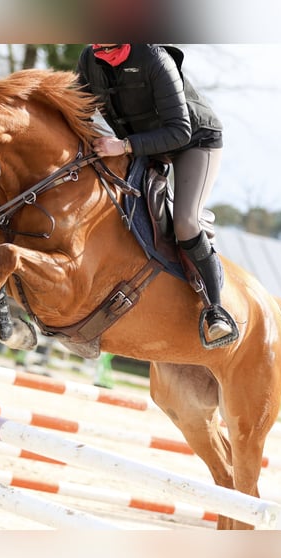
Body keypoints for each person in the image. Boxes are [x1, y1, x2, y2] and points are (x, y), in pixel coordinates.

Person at [76, 43, 236, 346]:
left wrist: (123, 146)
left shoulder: (153, 58)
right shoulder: (89, 59)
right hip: (139, 142)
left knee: (186, 223)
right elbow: (76, 108)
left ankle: (215, 310)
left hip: (192, 142)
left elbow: (180, 131)